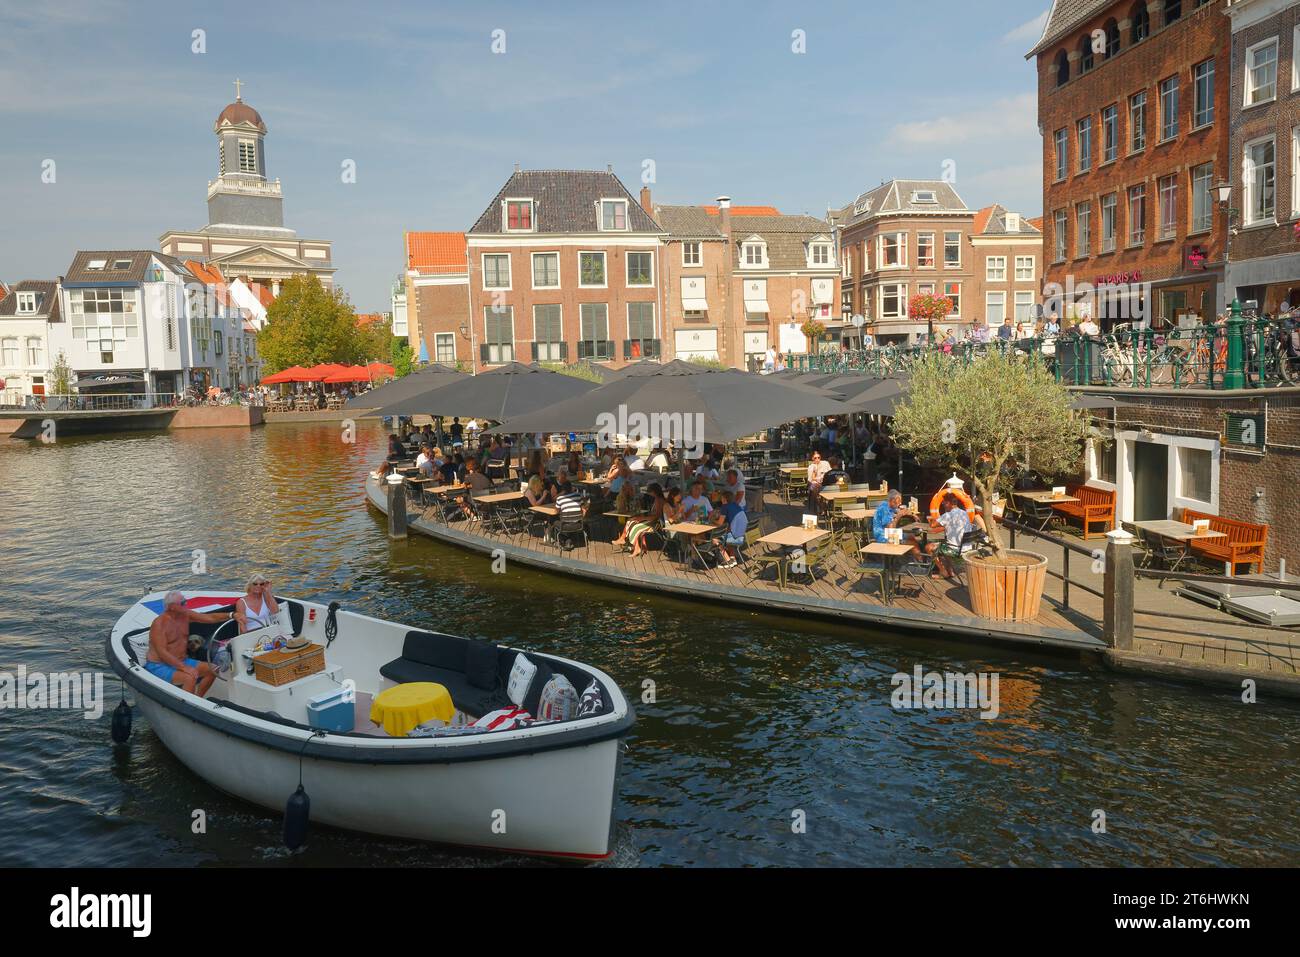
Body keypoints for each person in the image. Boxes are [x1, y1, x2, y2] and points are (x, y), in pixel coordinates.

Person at [145, 591, 228, 697]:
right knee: (189, 678)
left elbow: (210, 618)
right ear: (172, 607)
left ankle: (198, 699)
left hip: (181, 660)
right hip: (160, 665)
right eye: (183, 603)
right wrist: (184, 668)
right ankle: (188, 706)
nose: (186, 604)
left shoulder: (185, 615)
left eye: (185, 601)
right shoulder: (160, 624)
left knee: (213, 669)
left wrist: (231, 615)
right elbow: (162, 652)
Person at [933, 492, 987, 578]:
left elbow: (933, 525)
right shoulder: (964, 513)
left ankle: (943, 572)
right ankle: (950, 571)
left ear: (948, 503)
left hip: (955, 549)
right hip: (967, 547)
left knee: (929, 547)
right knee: (945, 544)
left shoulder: (947, 515)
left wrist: (932, 519)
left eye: (944, 503)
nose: (943, 505)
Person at [713, 490, 749, 568]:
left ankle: (727, 560)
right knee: (727, 533)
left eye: (721, 498)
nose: (721, 500)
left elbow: (719, 523)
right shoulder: (736, 505)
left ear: (724, 499)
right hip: (743, 536)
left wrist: (712, 521)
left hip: (736, 537)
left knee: (714, 539)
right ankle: (733, 559)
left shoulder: (725, 507)